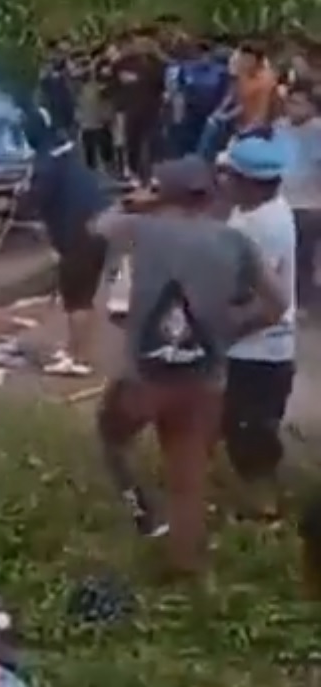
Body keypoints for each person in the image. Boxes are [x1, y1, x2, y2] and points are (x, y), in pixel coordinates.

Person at [91, 156, 288, 577]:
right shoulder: (235, 242)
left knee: (111, 436)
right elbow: (278, 304)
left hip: (145, 376)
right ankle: (189, 574)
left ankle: (141, 507)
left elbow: (96, 228)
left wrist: (133, 202)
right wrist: (229, 331)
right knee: (189, 481)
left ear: (163, 193)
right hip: (205, 379)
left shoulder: (140, 230)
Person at [219, 135, 298, 519]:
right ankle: (257, 502)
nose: (222, 179)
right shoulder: (258, 208)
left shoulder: (260, 230)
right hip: (258, 349)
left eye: (228, 173)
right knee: (241, 428)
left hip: (259, 350)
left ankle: (265, 512)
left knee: (251, 434)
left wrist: (221, 331)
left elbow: (268, 304)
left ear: (247, 181)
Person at [19, 107, 114, 376]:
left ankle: (79, 360)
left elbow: (33, 200)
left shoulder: (45, 162)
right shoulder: (63, 149)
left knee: (77, 299)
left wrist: (23, 196)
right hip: (98, 225)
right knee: (82, 296)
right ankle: (76, 350)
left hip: (80, 233)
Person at [278, 82, 321, 312]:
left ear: (312, 107)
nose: (292, 108)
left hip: (310, 204)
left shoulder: (318, 131)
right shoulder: (280, 127)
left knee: (302, 254)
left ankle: (303, 299)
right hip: (281, 199)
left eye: (298, 103)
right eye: (290, 102)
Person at [111, 32, 166, 185]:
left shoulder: (157, 63)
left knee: (153, 141)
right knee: (132, 141)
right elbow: (114, 87)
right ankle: (134, 173)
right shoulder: (121, 64)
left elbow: (162, 86)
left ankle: (154, 174)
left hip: (153, 107)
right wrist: (118, 108)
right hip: (129, 108)